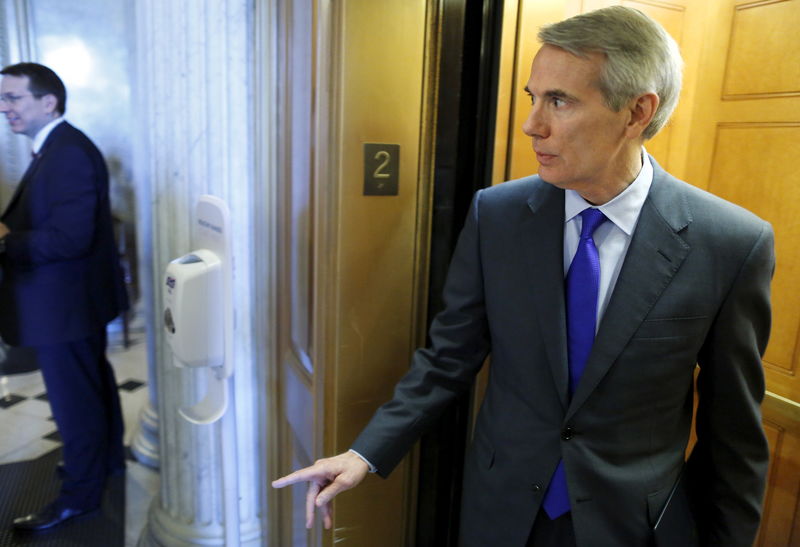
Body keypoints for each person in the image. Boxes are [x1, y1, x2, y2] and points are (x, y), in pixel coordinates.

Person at [273, 6, 773, 546]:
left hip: (634, 526)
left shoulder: (730, 243)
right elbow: (448, 358)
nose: (532, 124)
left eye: (559, 101)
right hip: (502, 512)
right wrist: (365, 453)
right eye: (533, 98)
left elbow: (733, 438)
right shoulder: (499, 215)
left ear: (636, 113)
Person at [0, 62, 128, 531]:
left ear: (47, 101)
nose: (4, 107)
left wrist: (5, 239)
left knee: (75, 404)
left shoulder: (67, 151)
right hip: (72, 304)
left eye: (13, 98)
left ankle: (78, 496)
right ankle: (106, 464)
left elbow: (70, 239)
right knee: (92, 387)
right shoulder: (58, 145)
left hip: (64, 308)